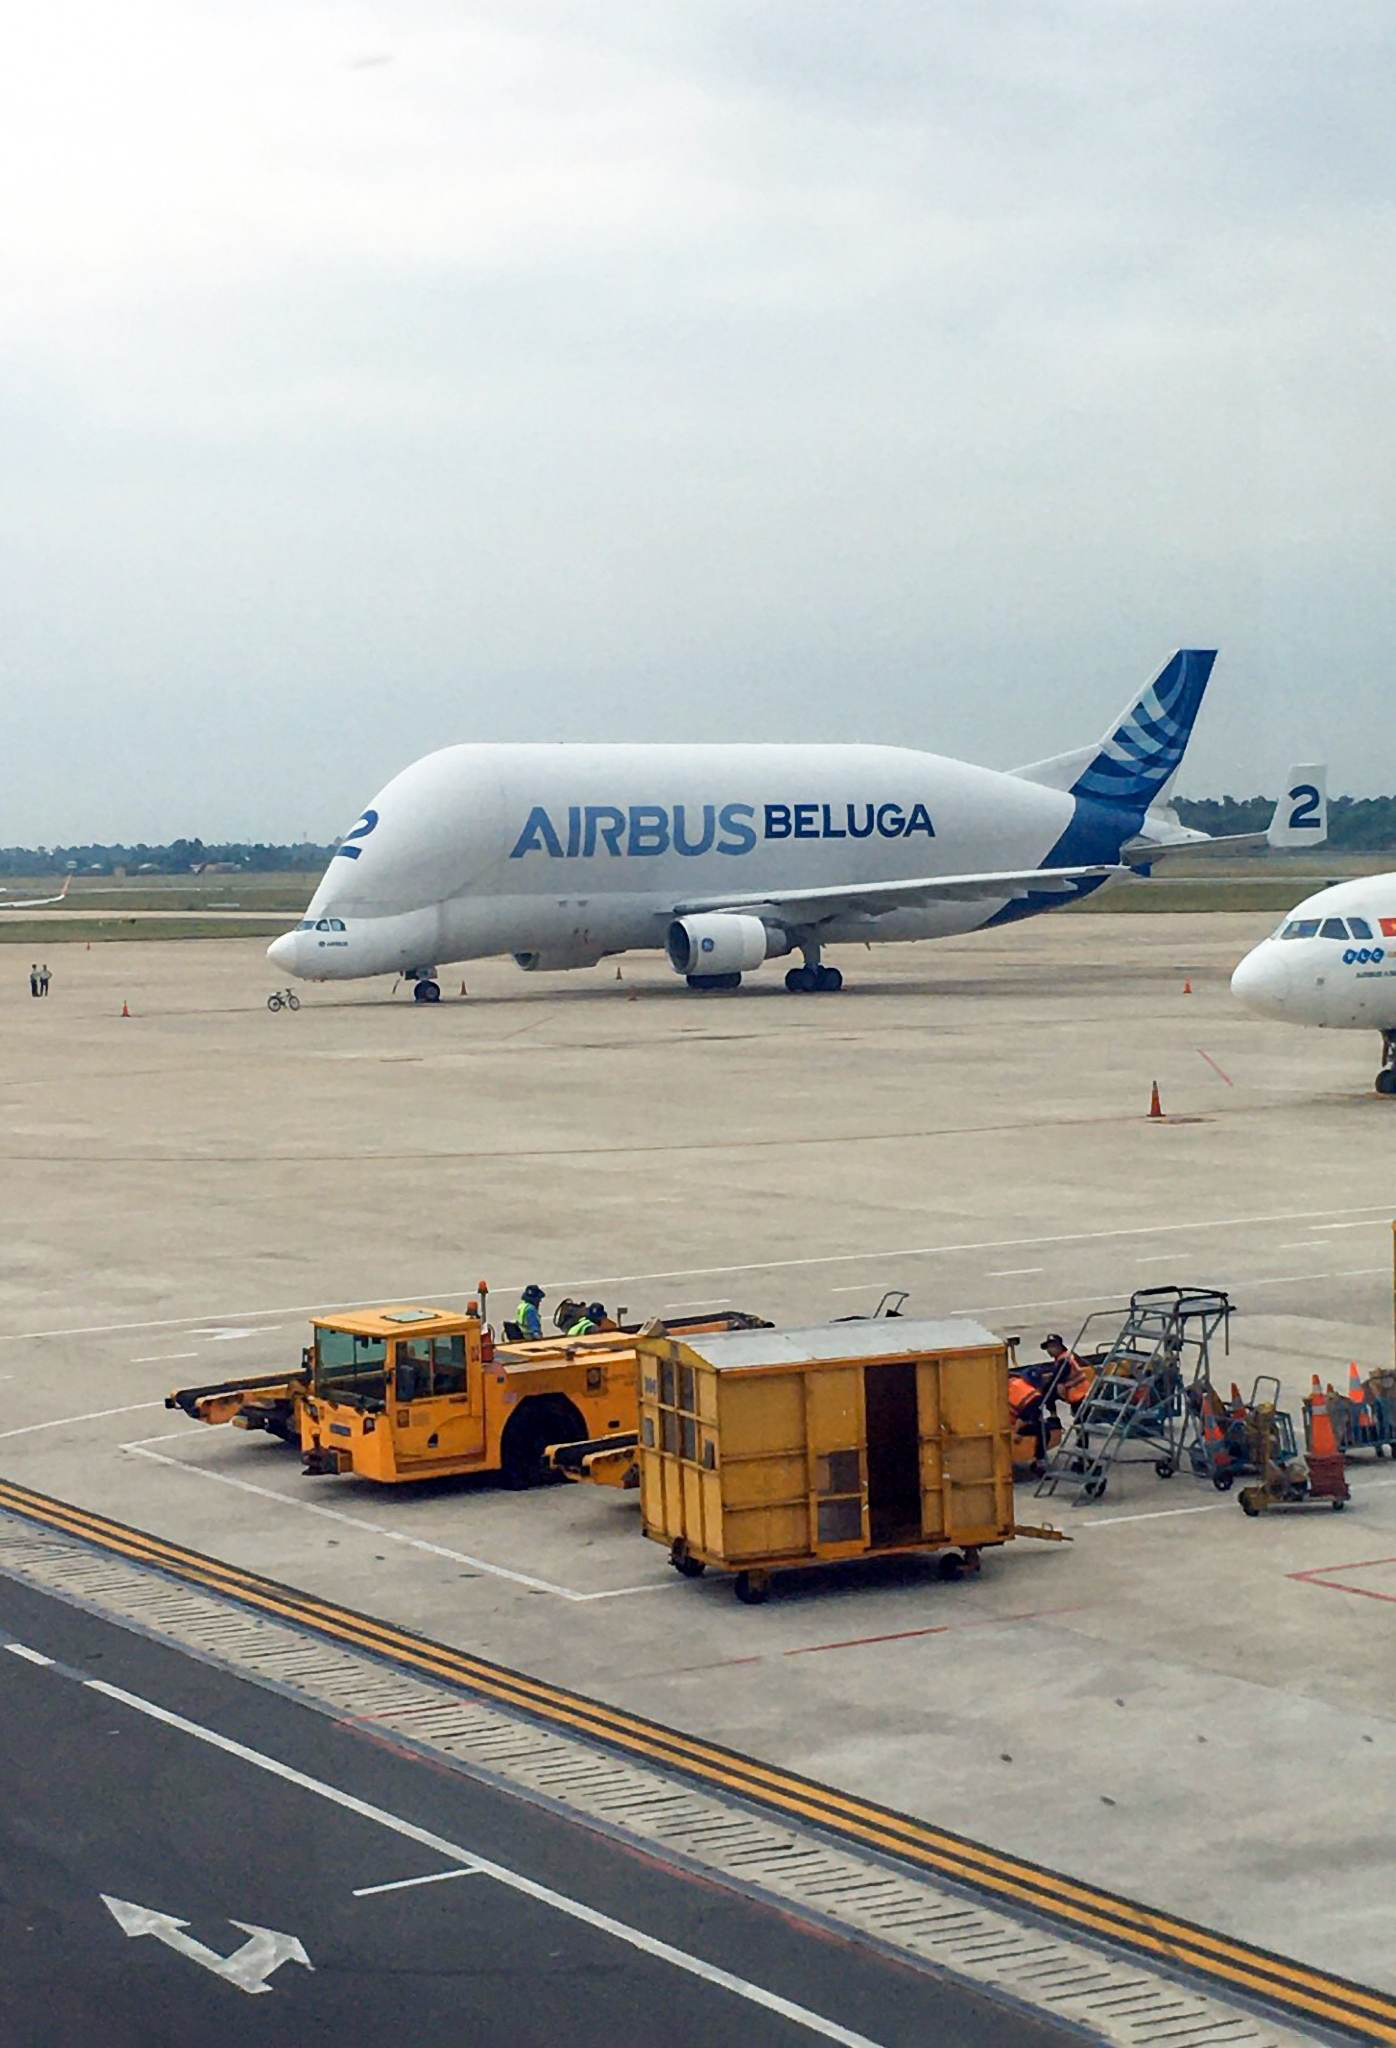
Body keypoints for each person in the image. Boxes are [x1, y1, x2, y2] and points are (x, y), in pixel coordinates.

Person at [1041, 1333, 1092, 1408]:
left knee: (1047, 1389)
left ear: (1060, 1347)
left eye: (1052, 1347)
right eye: (1048, 1348)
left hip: (1078, 1393)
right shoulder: (1066, 1356)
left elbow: (1058, 1378)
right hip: (1081, 1391)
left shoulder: (1064, 1361)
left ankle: (1053, 1416)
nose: (1049, 1350)